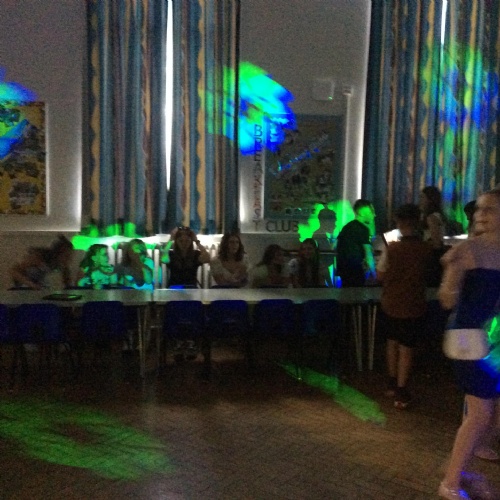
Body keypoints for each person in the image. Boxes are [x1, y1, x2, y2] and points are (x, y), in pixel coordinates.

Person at [438, 188, 500, 499]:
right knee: (480, 413)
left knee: (481, 410)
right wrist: (452, 271)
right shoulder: (469, 249)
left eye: (489, 209)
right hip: (464, 336)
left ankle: (460, 469)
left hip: (483, 336)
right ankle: (450, 483)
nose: (481, 215)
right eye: (479, 209)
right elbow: (446, 300)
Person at [376, 204, 432, 409]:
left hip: (390, 302)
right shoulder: (424, 248)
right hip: (413, 303)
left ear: (398, 222)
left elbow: (380, 274)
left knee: (392, 342)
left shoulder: (392, 248)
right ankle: (402, 390)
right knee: (407, 347)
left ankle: (392, 382)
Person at [10, 234, 74, 289]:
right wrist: (31, 284)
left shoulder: (62, 265)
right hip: (26, 289)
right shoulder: (38, 257)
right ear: (57, 253)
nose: (69, 259)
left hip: (43, 290)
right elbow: (14, 271)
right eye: (66, 256)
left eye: (70, 256)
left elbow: (67, 284)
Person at [336, 199, 376, 287]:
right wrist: (375, 276)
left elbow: (337, 247)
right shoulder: (363, 229)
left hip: (344, 271)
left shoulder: (346, 227)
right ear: (363, 212)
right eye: (371, 212)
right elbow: (368, 255)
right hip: (356, 271)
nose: (374, 215)